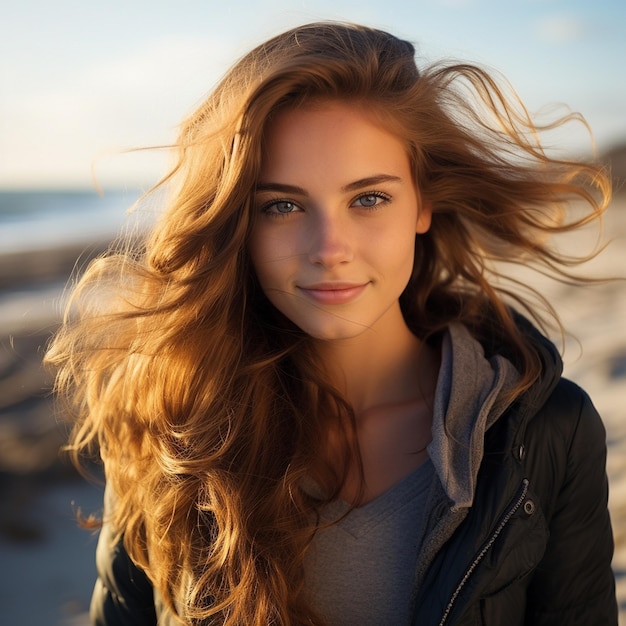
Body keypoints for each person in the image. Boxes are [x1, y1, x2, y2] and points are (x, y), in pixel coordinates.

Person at [45, 21, 617, 625]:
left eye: (368, 198)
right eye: (283, 206)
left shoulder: (550, 434)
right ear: (241, 221)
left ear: (423, 203)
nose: (329, 248)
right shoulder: (173, 422)